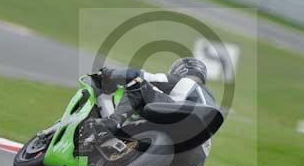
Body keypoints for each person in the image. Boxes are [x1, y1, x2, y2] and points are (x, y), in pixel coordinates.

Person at [83, 57, 212, 142]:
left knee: (138, 83)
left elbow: (139, 75)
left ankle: (113, 122)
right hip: (200, 137)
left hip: (180, 113)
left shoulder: (182, 80)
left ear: (181, 69)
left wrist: (108, 74)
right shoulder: (210, 97)